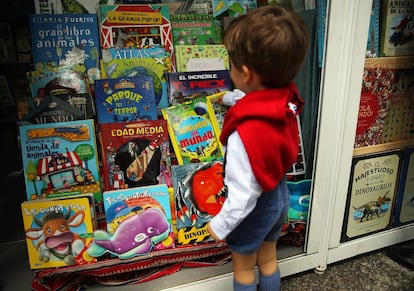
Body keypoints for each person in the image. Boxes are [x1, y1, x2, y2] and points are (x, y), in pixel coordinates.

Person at [206, 5, 309, 291]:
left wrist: (220, 226)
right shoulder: (286, 98)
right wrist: (228, 97)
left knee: (243, 266)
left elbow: (242, 195)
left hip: (253, 209)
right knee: (268, 258)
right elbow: (254, 99)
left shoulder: (243, 133)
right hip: (278, 198)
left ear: (246, 73)